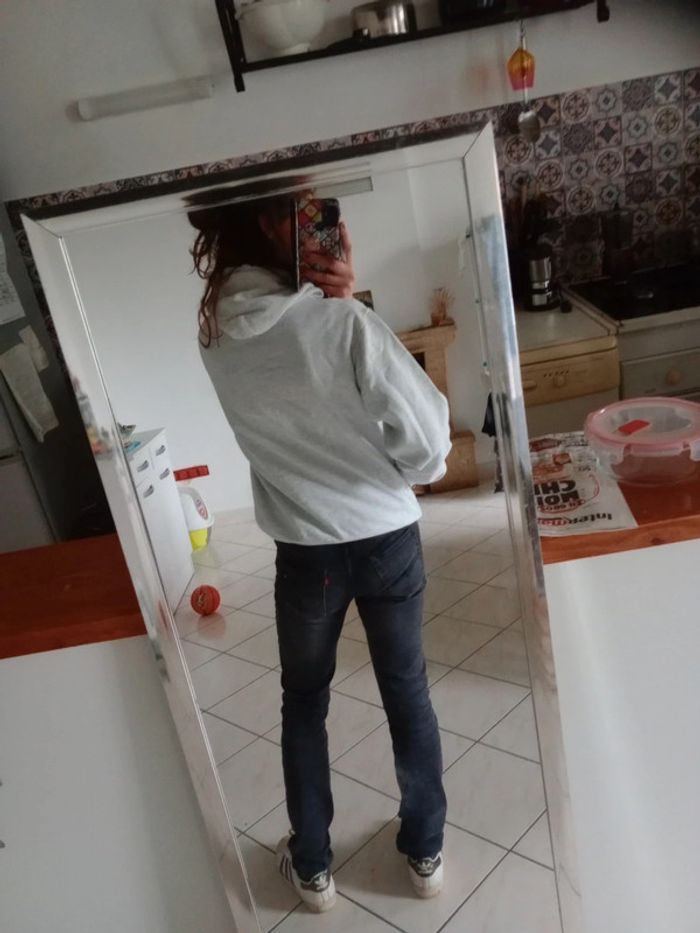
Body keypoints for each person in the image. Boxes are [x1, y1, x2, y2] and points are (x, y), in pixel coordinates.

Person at [189, 194, 451, 913]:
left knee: (303, 701)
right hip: (386, 537)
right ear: (272, 224)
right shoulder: (343, 320)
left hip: (306, 551)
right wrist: (346, 302)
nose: (325, 224)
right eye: (305, 212)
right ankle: (424, 853)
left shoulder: (213, 335)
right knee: (407, 690)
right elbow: (430, 447)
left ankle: (311, 868)